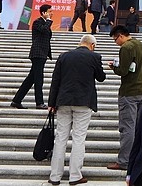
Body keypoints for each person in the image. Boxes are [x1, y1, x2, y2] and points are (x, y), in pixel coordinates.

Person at [48, 34, 106, 186]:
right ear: (92, 45)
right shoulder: (94, 57)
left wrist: (51, 103)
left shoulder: (64, 56)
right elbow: (101, 77)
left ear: (80, 43)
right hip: (84, 102)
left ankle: (55, 176)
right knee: (79, 138)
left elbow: (55, 80)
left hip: (63, 101)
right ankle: (75, 176)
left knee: (60, 138)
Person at [107, 25, 142, 171]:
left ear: (120, 36)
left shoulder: (126, 48)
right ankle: (138, 157)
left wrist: (114, 67)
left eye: (115, 39)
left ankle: (124, 161)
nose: (116, 43)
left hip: (129, 91)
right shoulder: (140, 44)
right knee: (138, 126)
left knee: (127, 127)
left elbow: (123, 71)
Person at [11, 4, 53, 109]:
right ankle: (39, 103)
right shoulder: (37, 22)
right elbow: (43, 30)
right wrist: (48, 21)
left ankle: (16, 100)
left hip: (42, 53)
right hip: (37, 53)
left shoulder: (44, 23)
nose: (51, 13)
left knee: (31, 79)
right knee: (39, 79)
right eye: (50, 11)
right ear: (44, 12)